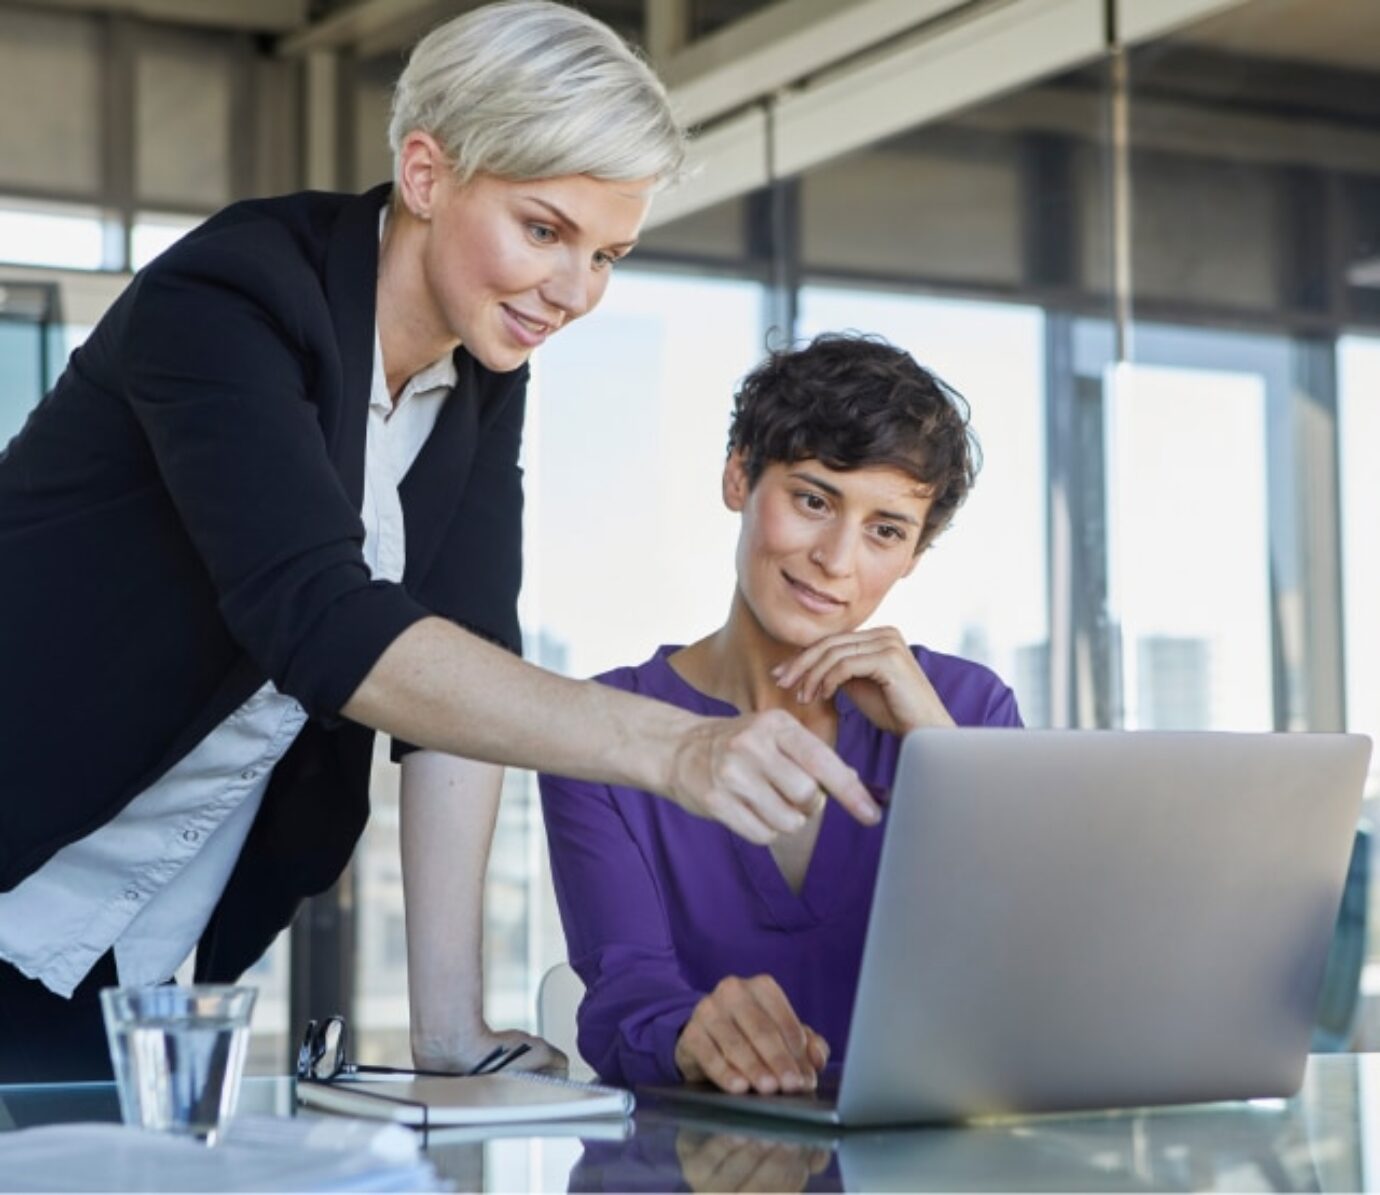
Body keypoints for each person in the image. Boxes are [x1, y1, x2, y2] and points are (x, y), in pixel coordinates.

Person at [0, 1, 879, 1083]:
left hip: (123, 943)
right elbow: (320, 620)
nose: (572, 292)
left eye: (607, 253)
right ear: (426, 173)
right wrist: (675, 746)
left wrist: (449, 1032)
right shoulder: (229, 296)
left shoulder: (480, 368)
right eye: (544, 230)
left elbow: (458, 674)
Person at [540, 334, 1023, 1094]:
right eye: (812, 499)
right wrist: (692, 1034)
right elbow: (624, 1003)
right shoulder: (609, 728)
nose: (836, 557)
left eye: (885, 530)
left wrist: (937, 748)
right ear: (739, 476)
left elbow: (1028, 968)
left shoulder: (966, 709)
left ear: (913, 557)